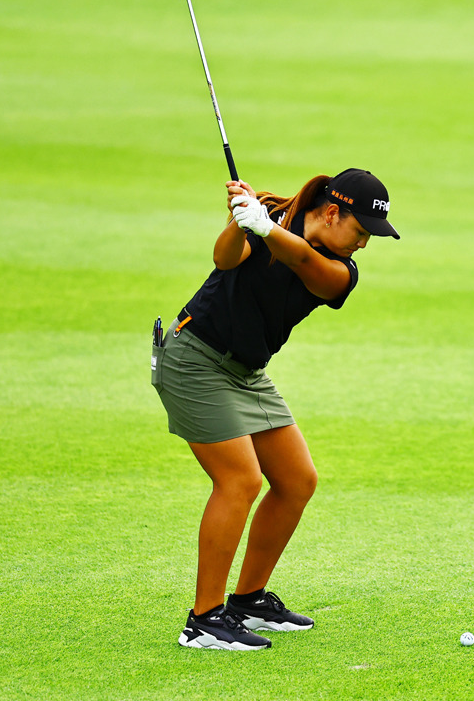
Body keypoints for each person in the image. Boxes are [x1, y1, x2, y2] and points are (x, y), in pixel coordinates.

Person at [151, 168, 399, 650]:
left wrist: (267, 229)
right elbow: (224, 260)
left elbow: (309, 265)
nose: (365, 245)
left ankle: (247, 600)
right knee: (240, 480)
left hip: (245, 372)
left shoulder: (338, 268)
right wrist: (241, 221)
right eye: (362, 231)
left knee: (296, 480)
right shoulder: (268, 216)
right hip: (195, 360)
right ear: (332, 212)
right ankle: (203, 621)